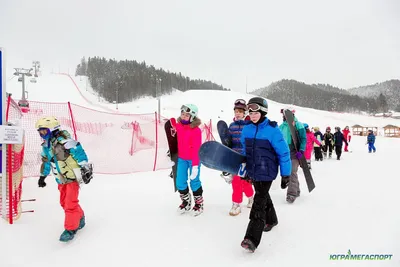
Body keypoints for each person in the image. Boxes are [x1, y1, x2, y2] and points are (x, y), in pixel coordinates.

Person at [239, 97, 291, 253]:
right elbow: (244, 151)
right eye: (250, 112)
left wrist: (286, 174)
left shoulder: (272, 130)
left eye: (256, 112)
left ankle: (251, 238)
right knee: (263, 195)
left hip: (267, 171)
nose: (253, 115)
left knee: (259, 201)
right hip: (253, 170)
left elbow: (284, 153)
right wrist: (244, 169)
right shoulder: (246, 129)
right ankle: (272, 220)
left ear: (263, 112)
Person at [36, 116, 93, 242]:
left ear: (53, 130)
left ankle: (70, 229)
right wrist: (42, 176)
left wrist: (85, 167)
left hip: (72, 178)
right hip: (60, 180)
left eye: (44, 131)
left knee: (70, 204)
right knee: (64, 202)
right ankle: (80, 216)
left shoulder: (65, 141)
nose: (42, 134)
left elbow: (79, 152)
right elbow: (46, 161)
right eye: (40, 131)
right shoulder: (46, 146)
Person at [220, 99, 254, 216]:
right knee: (236, 182)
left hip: (245, 158)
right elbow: (229, 142)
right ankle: (236, 203)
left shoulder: (249, 126)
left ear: (245, 113)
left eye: (240, 111)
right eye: (236, 111)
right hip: (234, 157)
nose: (238, 113)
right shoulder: (232, 126)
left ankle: (250, 196)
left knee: (245, 182)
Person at [170, 104, 204, 216]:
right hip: (182, 159)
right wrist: (172, 126)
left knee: (194, 181)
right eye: (182, 114)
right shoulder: (179, 127)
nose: (184, 116)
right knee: (180, 182)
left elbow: (197, 149)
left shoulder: (196, 131)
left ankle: (199, 203)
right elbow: (174, 133)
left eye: (187, 115)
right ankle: (186, 201)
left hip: (194, 160)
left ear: (192, 116)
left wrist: (195, 166)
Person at [279, 109, 307, 203]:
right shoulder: (281, 126)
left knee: (292, 172)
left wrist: (301, 150)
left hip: (295, 152)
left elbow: (303, 139)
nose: (285, 116)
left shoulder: (298, 125)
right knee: (291, 172)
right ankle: (297, 190)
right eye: (284, 115)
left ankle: (291, 193)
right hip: (285, 153)